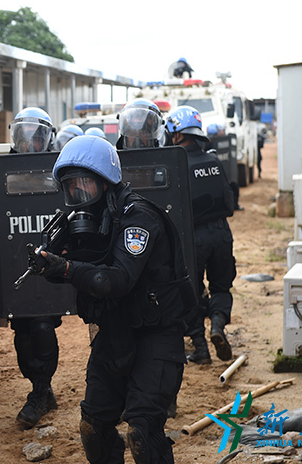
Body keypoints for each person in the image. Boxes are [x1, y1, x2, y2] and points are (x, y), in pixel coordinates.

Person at [29, 135, 193, 464]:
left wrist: (67, 268)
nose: (78, 194)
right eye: (71, 187)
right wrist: (51, 264)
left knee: (143, 431)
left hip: (157, 334)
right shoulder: (88, 222)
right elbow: (84, 270)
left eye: (84, 185)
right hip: (115, 332)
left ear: (106, 182)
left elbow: (115, 280)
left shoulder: (139, 218)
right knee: (93, 427)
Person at [3, 107, 63, 428]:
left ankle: (40, 391)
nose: (29, 144)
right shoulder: (4, 172)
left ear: (47, 139)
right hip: (18, 267)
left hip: (47, 269)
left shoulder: (57, 170)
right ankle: (42, 389)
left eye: (36, 137)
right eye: (23, 137)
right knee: (23, 335)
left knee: (42, 328)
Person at [166, 106, 236, 364]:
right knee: (221, 286)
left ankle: (200, 348)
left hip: (192, 238)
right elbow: (229, 202)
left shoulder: (176, 165)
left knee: (190, 292)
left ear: (177, 134)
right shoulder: (214, 161)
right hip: (221, 233)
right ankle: (217, 325)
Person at [206, 123, 243, 211]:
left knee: (233, 187)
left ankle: (234, 205)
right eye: (221, 131)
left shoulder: (223, 142)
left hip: (225, 171)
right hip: (216, 173)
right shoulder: (207, 145)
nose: (222, 133)